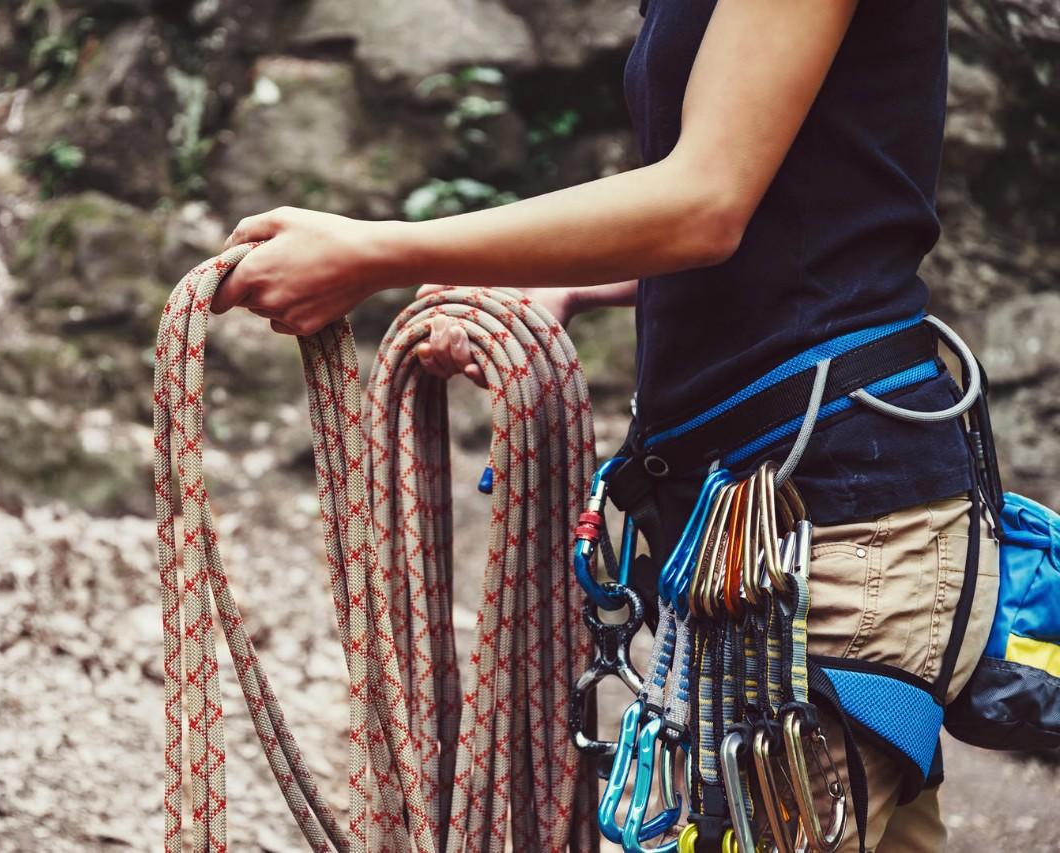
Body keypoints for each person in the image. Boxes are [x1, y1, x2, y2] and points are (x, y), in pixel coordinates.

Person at [210, 1, 999, 849]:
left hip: (833, 537)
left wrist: (383, 250)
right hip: (780, 539)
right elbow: (802, 202)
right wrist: (575, 279)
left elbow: (705, 201)